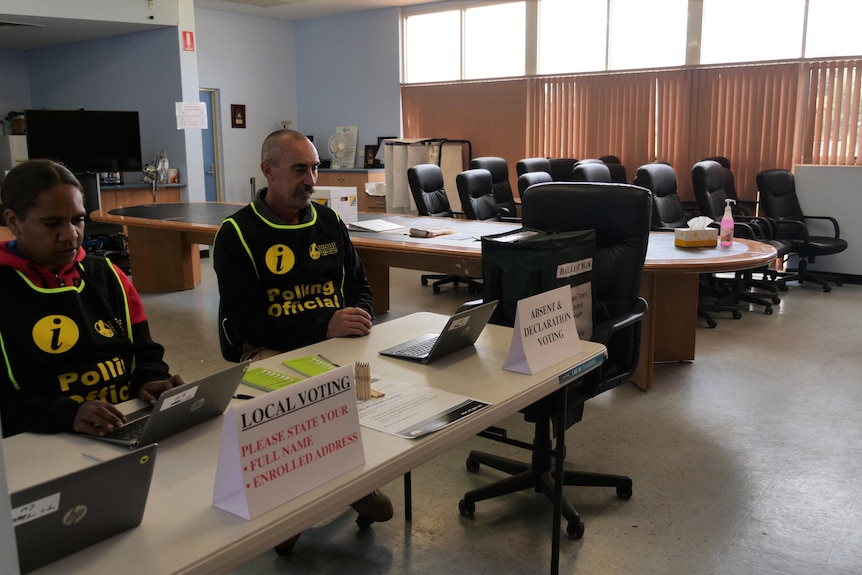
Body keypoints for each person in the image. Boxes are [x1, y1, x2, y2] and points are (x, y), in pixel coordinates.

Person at [213, 129, 392, 554]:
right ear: (267, 171)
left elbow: (359, 286)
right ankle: (289, 506)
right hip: (269, 348)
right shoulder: (237, 234)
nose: (311, 178)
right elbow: (246, 324)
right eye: (299, 169)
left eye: (314, 167)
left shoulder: (328, 222)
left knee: (378, 382)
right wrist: (323, 327)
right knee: (299, 397)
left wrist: (358, 316)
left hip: (331, 337)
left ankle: (350, 478)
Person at [0, 159, 185, 438]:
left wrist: (150, 379)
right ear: (14, 221)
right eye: (52, 223)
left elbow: (144, 352)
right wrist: (68, 414)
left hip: (122, 424)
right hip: (38, 441)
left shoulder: (110, 275)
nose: (71, 234)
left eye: (79, 219)